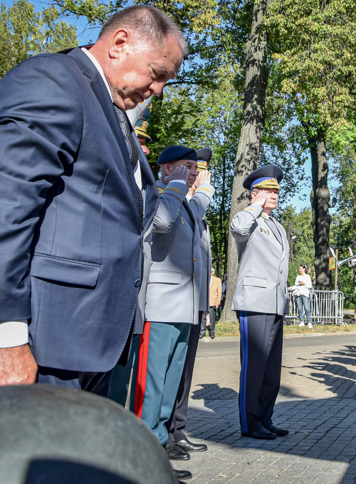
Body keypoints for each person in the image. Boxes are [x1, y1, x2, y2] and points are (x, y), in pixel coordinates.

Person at [0, 5, 185, 390]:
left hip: (92, 341)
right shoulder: (53, 81)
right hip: (46, 342)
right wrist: (4, 335)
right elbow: (5, 210)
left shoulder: (111, 110)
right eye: (157, 74)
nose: (158, 91)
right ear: (120, 43)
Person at [129, 146, 210, 470]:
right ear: (166, 169)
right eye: (186, 166)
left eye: (194, 167)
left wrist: (199, 187)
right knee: (152, 383)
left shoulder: (185, 202)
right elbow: (160, 222)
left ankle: (161, 441)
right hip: (161, 307)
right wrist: (176, 184)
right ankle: (145, 447)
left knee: (171, 380)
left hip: (184, 307)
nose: (193, 172)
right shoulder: (160, 194)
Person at [230, 165, 290, 440]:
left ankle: (265, 417)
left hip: (275, 303)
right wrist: (254, 206)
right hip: (254, 302)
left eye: (276, 190)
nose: (275, 195)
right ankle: (250, 422)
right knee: (254, 367)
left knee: (271, 369)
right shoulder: (249, 218)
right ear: (255, 194)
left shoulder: (276, 224)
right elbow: (238, 228)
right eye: (268, 190)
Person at [163, 147, 215, 463]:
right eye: (193, 170)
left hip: (193, 301)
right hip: (173, 301)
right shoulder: (175, 202)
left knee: (184, 372)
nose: (196, 177)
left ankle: (177, 429)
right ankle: (165, 432)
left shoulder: (196, 213)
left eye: (200, 173)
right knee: (169, 371)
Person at [207, 268, 223, 339]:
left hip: (213, 302)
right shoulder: (204, 279)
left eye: (210, 272)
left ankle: (212, 332)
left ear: (213, 272)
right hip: (205, 302)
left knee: (212, 318)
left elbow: (219, 292)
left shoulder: (217, 280)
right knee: (203, 318)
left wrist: (217, 302)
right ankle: (202, 331)